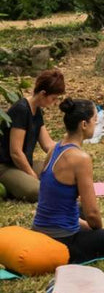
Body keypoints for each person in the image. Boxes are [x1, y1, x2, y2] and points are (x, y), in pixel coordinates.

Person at [32, 98, 104, 263]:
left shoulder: (54, 149)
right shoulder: (80, 159)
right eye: (94, 121)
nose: (96, 125)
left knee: (79, 209)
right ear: (84, 124)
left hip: (40, 228)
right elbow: (92, 214)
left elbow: (51, 199)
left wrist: (83, 224)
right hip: (64, 241)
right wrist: (98, 233)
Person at [0, 68, 64, 201]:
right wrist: (31, 174)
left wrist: (68, 151)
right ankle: (13, 186)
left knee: (62, 173)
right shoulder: (21, 110)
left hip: (25, 163)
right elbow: (15, 152)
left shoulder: (37, 110)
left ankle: (21, 183)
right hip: (6, 166)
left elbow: (48, 144)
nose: (54, 103)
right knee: (37, 191)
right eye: (53, 98)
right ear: (43, 94)